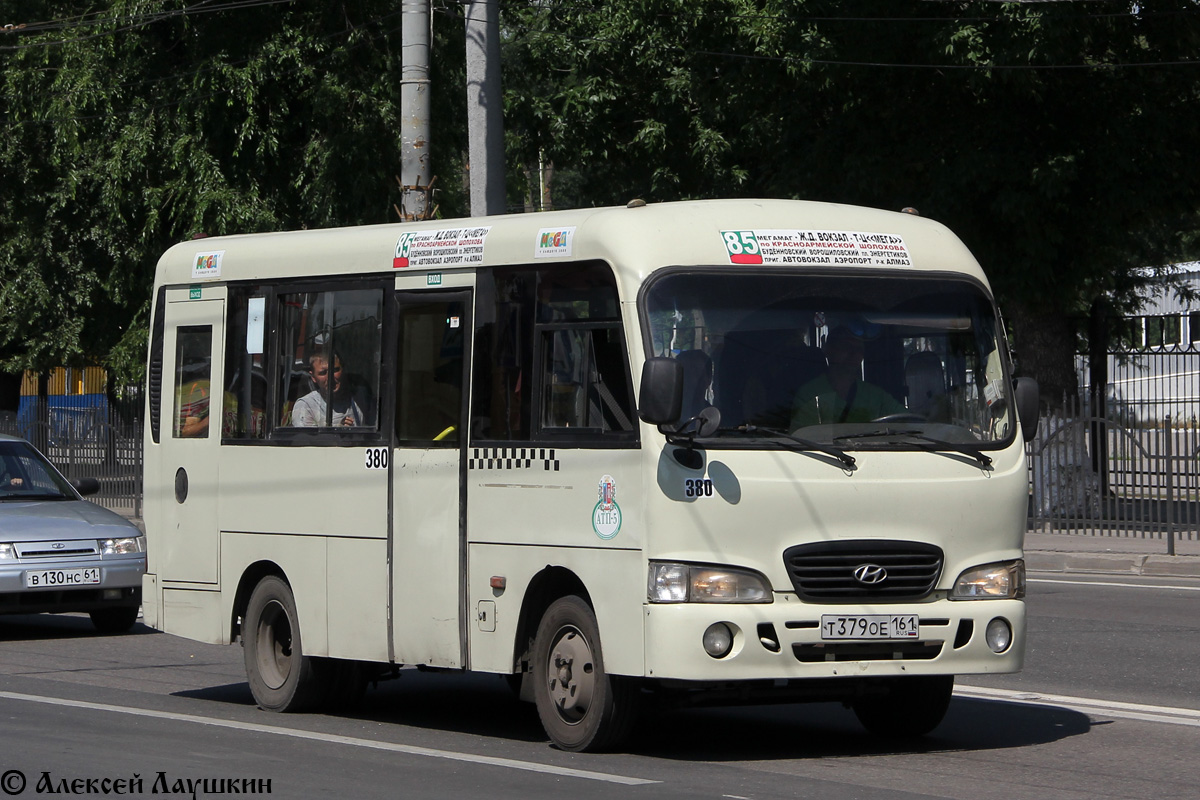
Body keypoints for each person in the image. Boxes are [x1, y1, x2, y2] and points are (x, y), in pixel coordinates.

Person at [791, 325, 904, 428]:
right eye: (846, 347)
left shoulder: (875, 395)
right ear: (828, 350)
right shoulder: (810, 394)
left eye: (859, 349)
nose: (854, 354)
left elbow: (906, 419)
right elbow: (804, 438)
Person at [290, 352, 367, 427]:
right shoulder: (306, 405)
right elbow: (306, 438)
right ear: (313, 377)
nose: (330, 378)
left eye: (335, 370)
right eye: (323, 373)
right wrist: (338, 432)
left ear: (343, 369)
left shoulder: (358, 399)